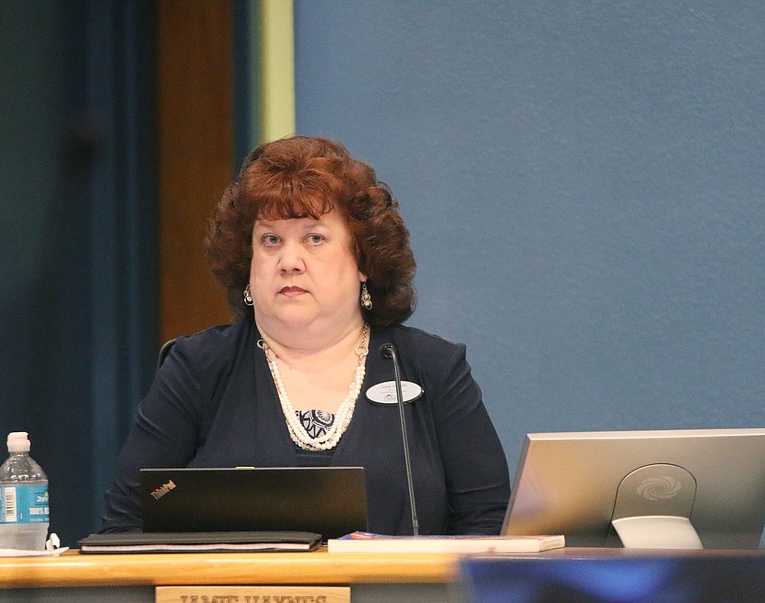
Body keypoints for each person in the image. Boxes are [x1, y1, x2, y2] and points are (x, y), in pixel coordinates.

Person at [101, 136, 509, 535]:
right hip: (234, 602)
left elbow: (489, 528)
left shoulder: (432, 368)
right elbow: (126, 527)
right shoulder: (198, 368)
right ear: (248, 263)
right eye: (270, 240)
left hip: (398, 601)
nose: (289, 261)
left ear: (362, 259)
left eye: (314, 238)